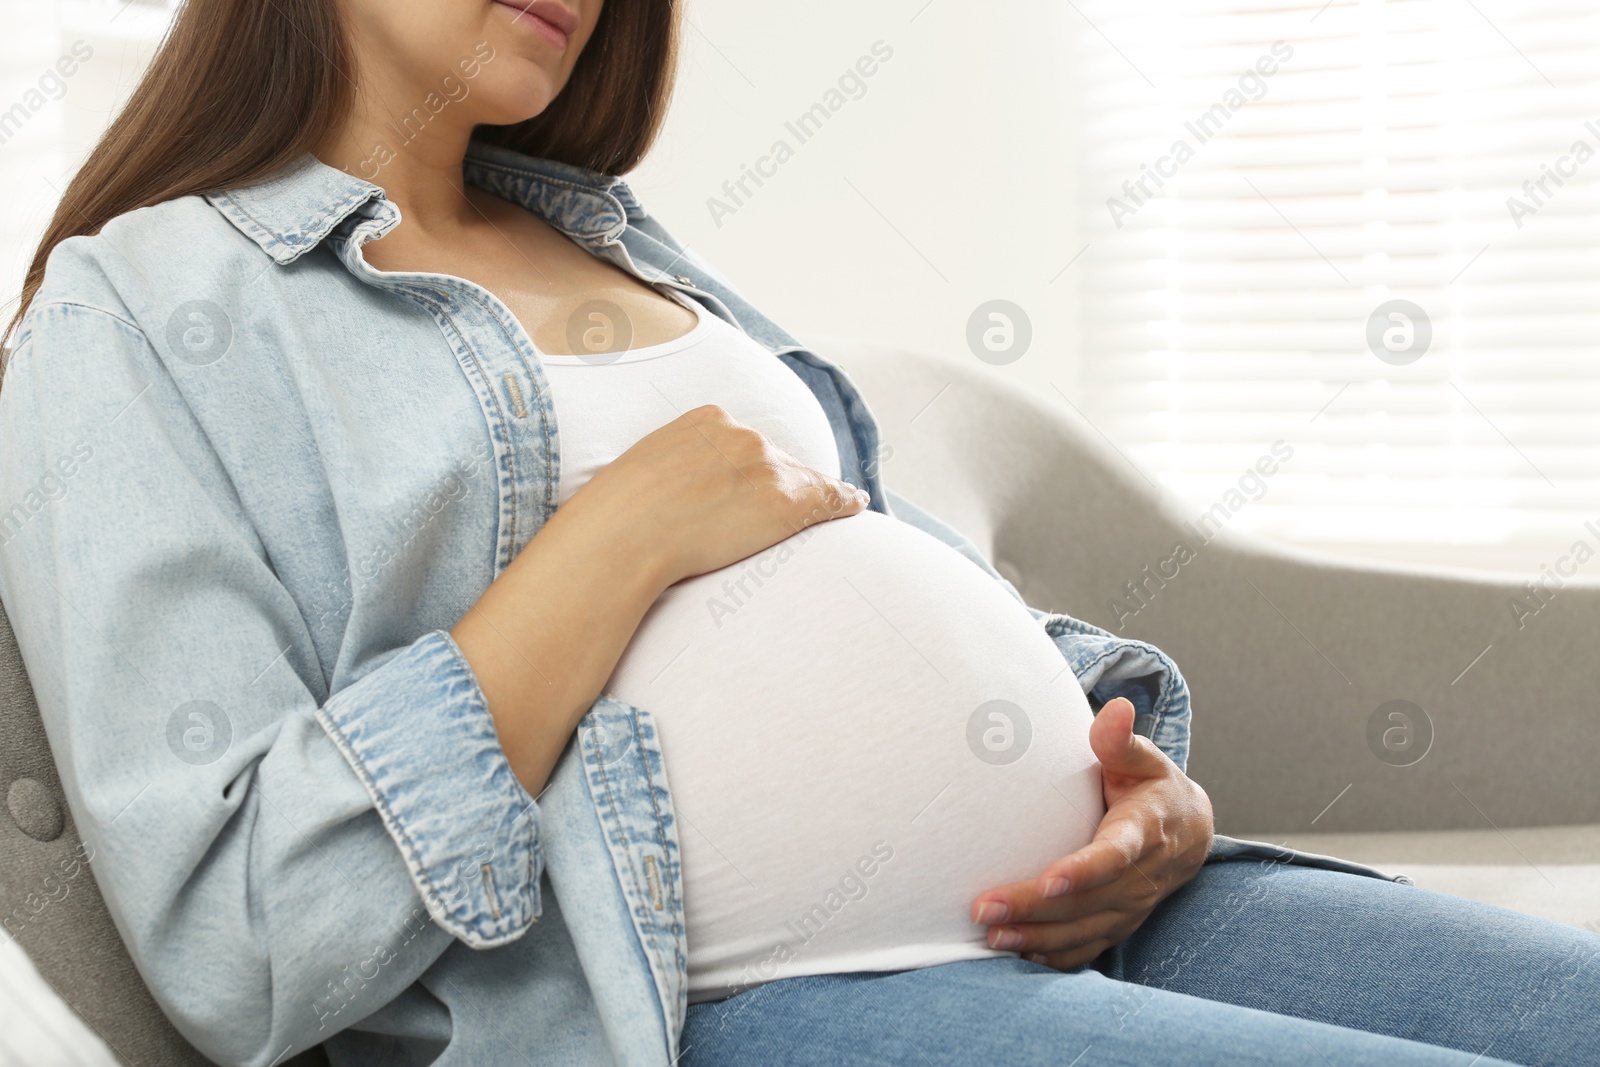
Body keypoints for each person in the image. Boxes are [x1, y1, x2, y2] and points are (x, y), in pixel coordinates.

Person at [0, 1, 1594, 1064]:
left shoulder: (617, 244)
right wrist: (607, 544)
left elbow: (858, 568)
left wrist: (1130, 782)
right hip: (720, 992)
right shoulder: (134, 311)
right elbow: (237, 940)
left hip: (1105, 920)